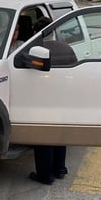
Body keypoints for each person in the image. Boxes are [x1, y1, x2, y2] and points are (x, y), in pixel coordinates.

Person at [28, 16, 68, 185]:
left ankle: (45, 175)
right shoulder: (67, 48)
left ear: (37, 33)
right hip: (63, 99)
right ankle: (60, 169)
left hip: (43, 101)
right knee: (60, 134)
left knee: (43, 137)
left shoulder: (36, 50)